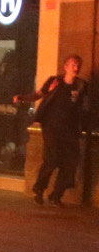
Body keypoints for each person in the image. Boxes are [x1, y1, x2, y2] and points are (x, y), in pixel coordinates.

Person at [31, 54, 88, 206]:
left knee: (70, 163)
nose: (76, 68)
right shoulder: (55, 81)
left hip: (70, 129)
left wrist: (84, 125)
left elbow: (84, 107)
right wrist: (23, 98)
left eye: (78, 65)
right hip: (52, 127)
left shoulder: (81, 85)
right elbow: (40, 94)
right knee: (52, 159)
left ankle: (56, 195)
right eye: (73, 65)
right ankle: (39, 189)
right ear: (66, 67)